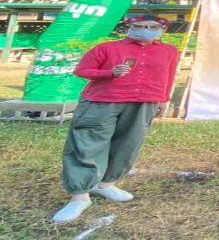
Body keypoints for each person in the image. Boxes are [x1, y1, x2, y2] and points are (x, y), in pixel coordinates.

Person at [52, 15, 179, 224]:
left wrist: (164, 99)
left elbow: (169, 75)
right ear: (128, 27)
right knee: (87, 144)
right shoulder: (107, 48)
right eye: (139, 26)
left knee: (128, 144)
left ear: (162, 30)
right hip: (102, 101)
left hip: (144, 101)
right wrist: (109, 73)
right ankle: (79, 196)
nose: (145, 30)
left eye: (153, 27)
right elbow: (81, 70)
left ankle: (105, 184)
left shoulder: (170, 51)